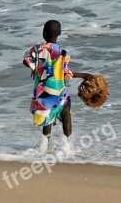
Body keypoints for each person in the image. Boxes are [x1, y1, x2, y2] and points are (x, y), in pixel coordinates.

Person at [23, 19, 92, 153]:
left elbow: (26, 60)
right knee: (66, 115)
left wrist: (35, 67)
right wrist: (84, 75)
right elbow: (66, 74)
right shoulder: (62, 52)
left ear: (43, 33)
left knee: (47, 118)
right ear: (59, 33)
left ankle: (45, 147)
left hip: (44, 93)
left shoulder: (38, 48)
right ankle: (68, 147)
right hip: (60, 92)